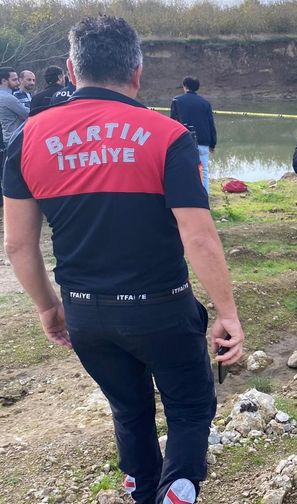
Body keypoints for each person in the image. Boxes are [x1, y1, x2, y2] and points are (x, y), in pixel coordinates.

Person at [2, 16, 244, 504]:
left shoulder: (27, 138)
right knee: (192, 408)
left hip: (86, 312)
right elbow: (197, 235)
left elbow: (18, 245)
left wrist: (50, 308)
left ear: (71, 69)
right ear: (137, 72)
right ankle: (177, 491)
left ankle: (140, 489)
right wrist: (227, 313)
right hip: (162, 309)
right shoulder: (169, 135)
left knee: (129, 409)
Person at [170, 76, 217, 194]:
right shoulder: (205, 103)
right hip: (203, 141)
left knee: (184, 170)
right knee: (204, 170)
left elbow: (173, 124)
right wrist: (212, 144)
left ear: (184, 86)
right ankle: (204, 196)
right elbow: (210, 124)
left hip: (184, 142)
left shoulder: (177, 101)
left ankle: (187, 195)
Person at [0, 66, 29, 201]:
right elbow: (27, 114)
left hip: (7, 138)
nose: (18, 82)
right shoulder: (8, 98)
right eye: (14, 79)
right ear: (4, 81)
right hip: (16, 138)